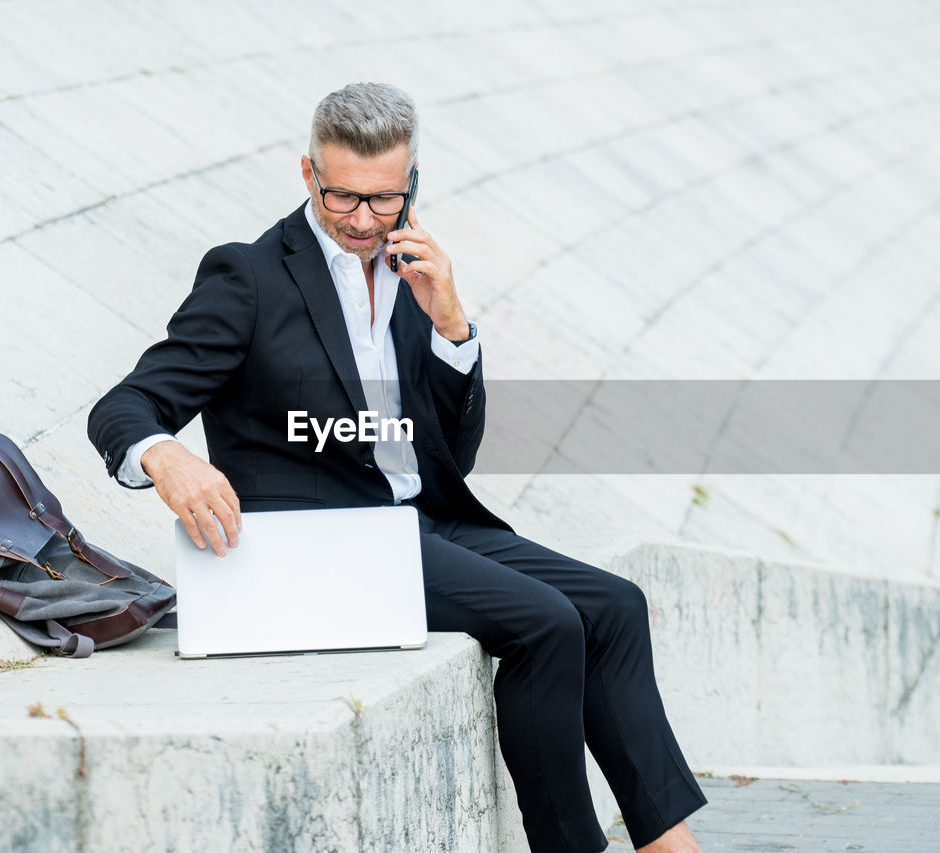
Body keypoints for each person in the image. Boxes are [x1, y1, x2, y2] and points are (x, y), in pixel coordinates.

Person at [88, 81, 707, 853]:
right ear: (308, 174)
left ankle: (671, 843)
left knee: (614, 604)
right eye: (344, 196)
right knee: (545, 624)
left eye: (385, 199)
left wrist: (452, 324)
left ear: (411, 182)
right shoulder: (248, 279)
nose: (363, 220)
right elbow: (123, 406)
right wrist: (166, 453)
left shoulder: (413, 268)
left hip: (425, 520)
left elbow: (457, 451)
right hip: (324, 538)